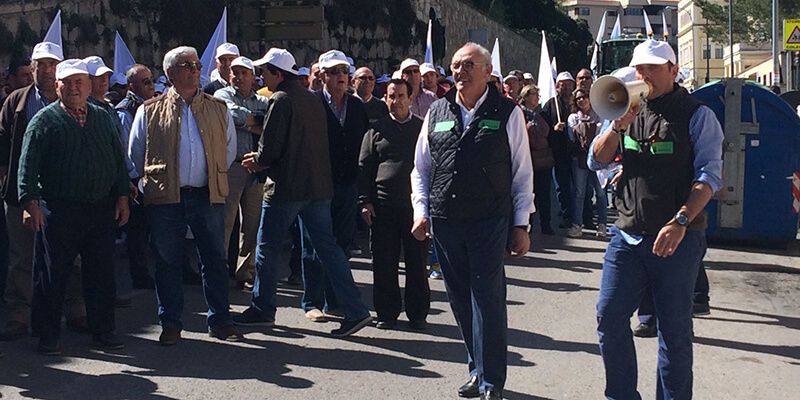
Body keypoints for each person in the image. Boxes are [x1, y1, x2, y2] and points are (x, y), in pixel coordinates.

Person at [589, 39, 723, 399]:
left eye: (652, 68)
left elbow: (709, 175)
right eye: (639, 68)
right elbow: (596, 160)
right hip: (629, 237)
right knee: (609, 317)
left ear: (673, 71)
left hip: (678, 240)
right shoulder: (627, 110)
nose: (643, 74)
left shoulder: (697, 115)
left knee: (675, 333)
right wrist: (617, 127)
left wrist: (681, 220)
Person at [411, 42, 534, 400]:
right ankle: (476, 369)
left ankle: (492, 380)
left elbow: (522, 173)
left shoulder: (507, 112)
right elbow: (422, 168)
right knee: (460, 299)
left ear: (487, 71)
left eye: (468, 65)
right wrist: (421, 211)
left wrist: (521, 224)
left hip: (488, 219)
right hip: (447, 218)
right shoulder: (437, 111)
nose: (459, 72)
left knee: (487, 298)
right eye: (455, 65)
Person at [233, 47, 372, 337]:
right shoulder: (310, 100)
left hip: (287, 188)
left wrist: (257, 161)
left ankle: (262, 308)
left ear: (277, 73)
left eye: (265, 71)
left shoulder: (282, 100)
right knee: (329, 247)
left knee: (267, 248)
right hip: (317, 187)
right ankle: (356, 309)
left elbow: (271, 147)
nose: (262, 76)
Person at [128, 46, 241, 346]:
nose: (194, 69)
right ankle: (171, 323)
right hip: (167, 198)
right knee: (167, 260)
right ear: (170, 73)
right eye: (186, 65)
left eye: (197, 64)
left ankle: (220, 320)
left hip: (207, 194)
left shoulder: (219, 109)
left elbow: (228, 152)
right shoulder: (149, 111)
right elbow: (137, 154)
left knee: (215, 259)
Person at [17, 58, 131, 355]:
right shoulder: (43, 121)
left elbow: (118, 160)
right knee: (53, 275)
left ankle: (103, 331)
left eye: (79, 81)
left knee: (101, 273)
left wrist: (121, 196)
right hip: (59, 209)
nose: (74, 87)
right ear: (57, 86)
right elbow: (27, 166)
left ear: (89, 85)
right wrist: (29, 202)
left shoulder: (103, 117)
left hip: (100, 209)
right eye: (67, 82)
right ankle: (48, 335)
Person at [0, 42, 89, 342]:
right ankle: (18, 315)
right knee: (21, 257)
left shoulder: (73, 99)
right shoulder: (16, 101)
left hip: (63, 194)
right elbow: (2, 143)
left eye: (53, 64)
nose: (48, 71)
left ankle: (75, 309)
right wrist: (7, 180)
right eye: (42, 65)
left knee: (70, 254)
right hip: (20, 194)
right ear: (34, 68)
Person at [358, 78, 430, 330]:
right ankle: (387, 313)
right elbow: (365, 167)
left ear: (410, 98)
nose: (395, 101)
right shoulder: (375, 130)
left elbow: (432, 166)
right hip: (383, 206)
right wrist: (365, 201)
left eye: (401, 96)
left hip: (415, 209)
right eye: (391, 96)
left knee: (417, 262)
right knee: (384, 261)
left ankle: (417, 313)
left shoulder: (423, 129)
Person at [213, 56, 268, 288]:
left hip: (255, 167)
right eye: (235, 72)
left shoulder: (263, 101)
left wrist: (248, 122)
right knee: (225, 221)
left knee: (252, 223)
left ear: (253, 76)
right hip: (232, 166)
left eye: (244, 72)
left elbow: (270, 123)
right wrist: (255, 124)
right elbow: (230, 114)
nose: (238, 76)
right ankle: (218, 269)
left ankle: (245, 271)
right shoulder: (222, 95)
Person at [314, 50, 370, 255]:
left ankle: (337, 286)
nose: (341, 76)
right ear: (322, 76)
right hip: (320, 185)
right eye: (334, 71)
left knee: (343, 239)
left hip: (348, 183)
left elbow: (365, 141)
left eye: (344, 71)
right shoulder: (313, 103)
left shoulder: (356, 105)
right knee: (318, 243)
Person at [566, 88, 607, 238]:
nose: (582, 100)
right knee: (579, 192)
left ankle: (602, 224)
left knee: (601, 192)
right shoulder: (572, 117)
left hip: (598, 157)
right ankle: (577, 225)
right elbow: (572, 137)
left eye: (584, 97)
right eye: (578, 98)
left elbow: (601, 134)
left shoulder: (600, 114)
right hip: (580, 158)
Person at [541, 71, 576, 229]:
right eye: (563, 85)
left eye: (569, 84)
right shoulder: (550, 104)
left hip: (576, 151)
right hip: (559, 151)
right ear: (557, 86)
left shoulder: (578, 103)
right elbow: (543, 128)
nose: (567, 88)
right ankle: (566, 214)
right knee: (562, 186)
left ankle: (583, 216)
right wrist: (554, 129)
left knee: (581, 187)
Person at [519, 84, 554, 235]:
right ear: (526, 96)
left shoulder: (543, 114)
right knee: (529, 193)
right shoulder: (520, 113)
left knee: (544, 193)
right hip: (528, 159)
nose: (537, 97)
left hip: (543, 159)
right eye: (534, 94)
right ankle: (527, 225)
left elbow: (549, 133)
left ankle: (546, 224)